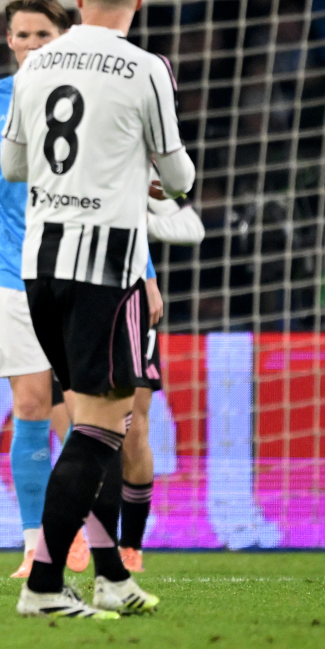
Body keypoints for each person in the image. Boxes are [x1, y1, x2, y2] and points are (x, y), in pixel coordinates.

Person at [1, 0, 195, 618]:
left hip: (38, 269)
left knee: (87, 424)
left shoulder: (37, 65)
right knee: (99, 432)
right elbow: (179, 179)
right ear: (137, 0)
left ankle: (110, 576)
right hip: (105, 272)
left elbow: (16, 166)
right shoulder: (145, 69)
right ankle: (46, 587)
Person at [0, 0, 97, 578]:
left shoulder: (89, 96)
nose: (32, 45)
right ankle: (38, 542)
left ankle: (95, 533)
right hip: (12, 276)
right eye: (23, 35)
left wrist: (147, 272)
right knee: (31, 405)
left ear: (63, 36)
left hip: (85, 268)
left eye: (43, 34)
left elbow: (119, 189)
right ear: (8, 40)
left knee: (91, 415)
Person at [119, 190, 206, 572]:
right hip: (77, 294)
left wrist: (135, 222)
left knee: (134, 430)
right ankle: (85, 538)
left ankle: (130, 547)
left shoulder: (142, 170)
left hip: (132, 298)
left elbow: (192, 228)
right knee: (89, 429)